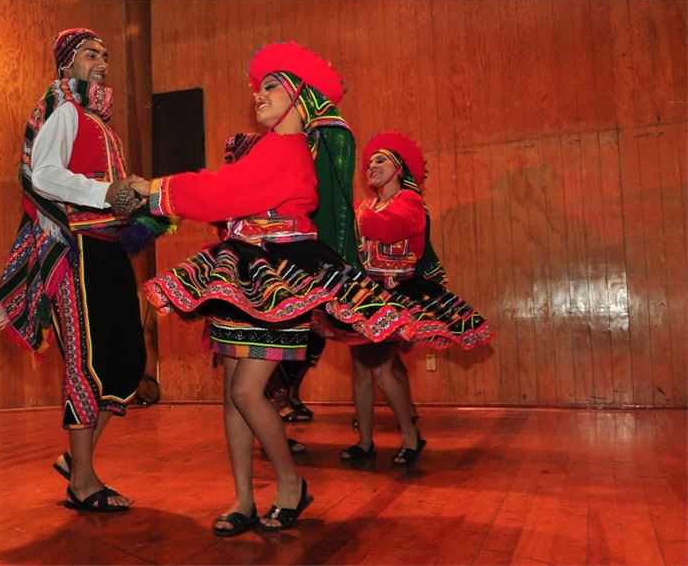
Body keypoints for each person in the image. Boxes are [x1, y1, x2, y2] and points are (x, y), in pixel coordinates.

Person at [130, 42, 415, 534]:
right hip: (244, 269)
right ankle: (243, 499)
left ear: (299, 98)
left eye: (269, 87)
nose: (257, 95)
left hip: (277, 276)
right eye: (257, 88)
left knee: (245, 390)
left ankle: (290, 484)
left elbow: (222, 192)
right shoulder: (268, 149)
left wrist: (152, 188)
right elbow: (225, 191)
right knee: (233, 392)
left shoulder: (288, 151)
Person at [0, 28, 149, 512]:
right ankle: (83, 482)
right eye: (89, 54)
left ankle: (75, 461)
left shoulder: (103, 123)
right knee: (87, 360)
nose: (101, 61)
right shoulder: (65, 109)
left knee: (125, 359)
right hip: (75, 252)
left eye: (104, 55)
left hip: (107, 249)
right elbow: (44, 174)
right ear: (66, 64)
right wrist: (107, 193)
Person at [339, 132, 493, 466]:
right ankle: (365, 441)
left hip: (399, 295)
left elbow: (391, 226)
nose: (371, 166)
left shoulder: (410, 203)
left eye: (380, 161)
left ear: (398, 168)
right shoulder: (363, 207)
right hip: (367, 295)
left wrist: (349, 221)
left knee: (380, 368)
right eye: (369, 163)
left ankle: (411, 435)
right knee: (362, 369)